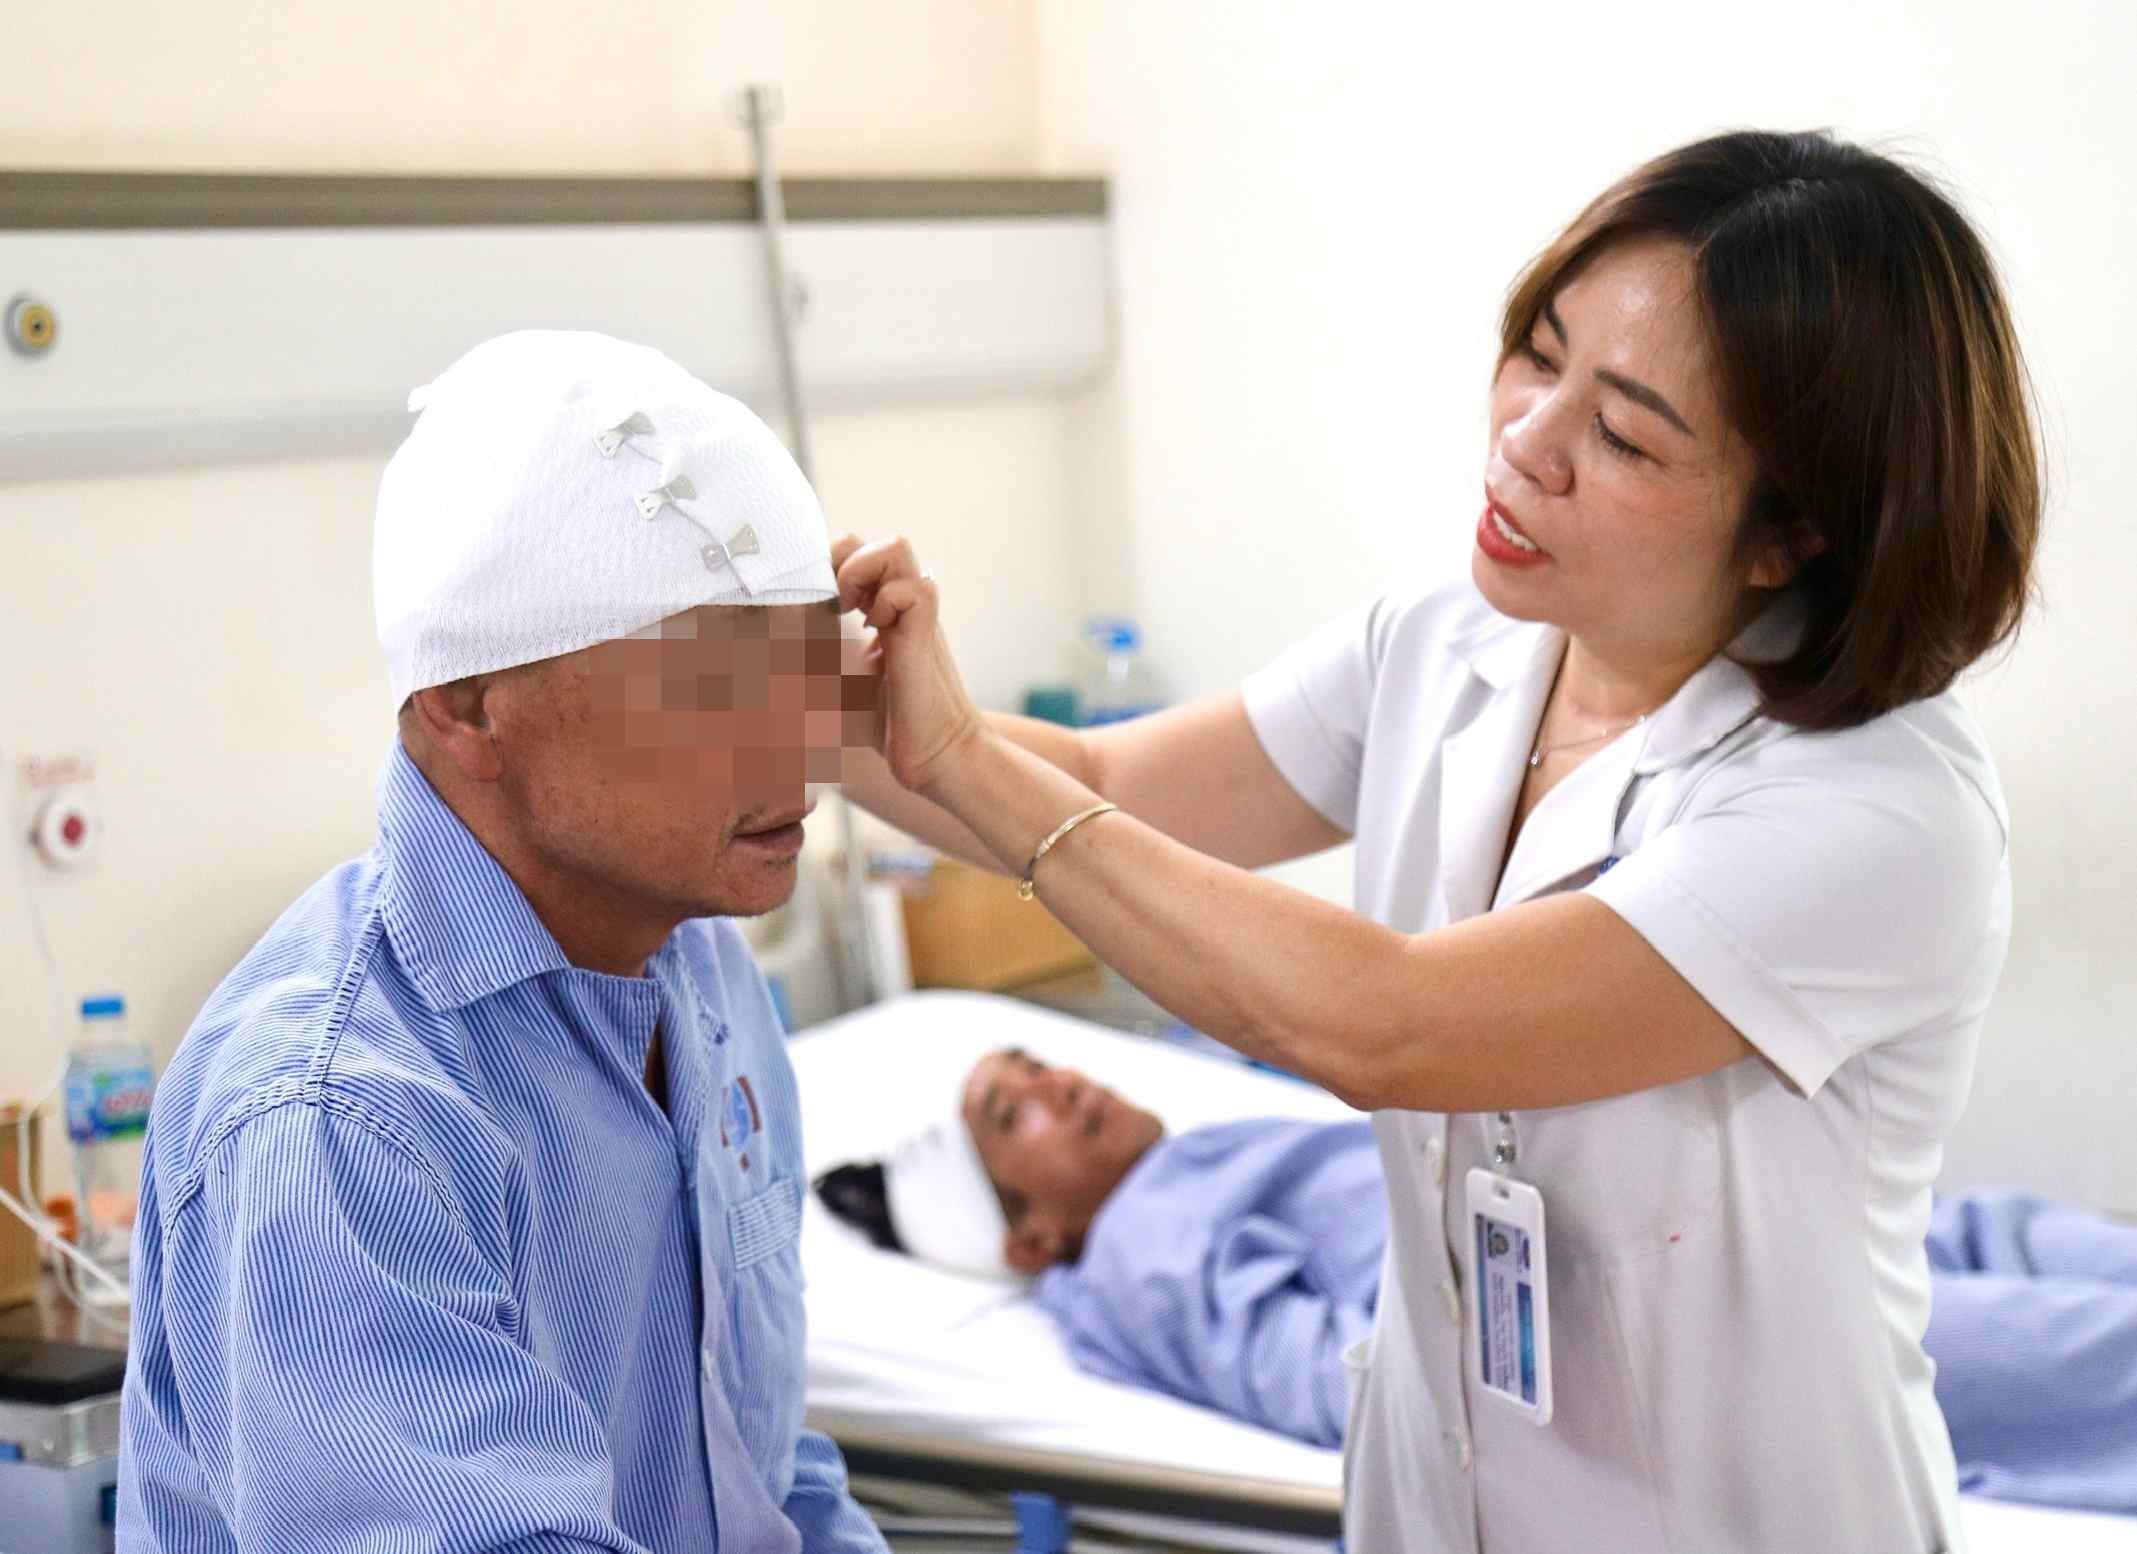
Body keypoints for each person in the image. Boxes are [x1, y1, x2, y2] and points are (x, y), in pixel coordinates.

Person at [834, 129, 2042, 1553]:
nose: (1525, 441)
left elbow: (1386, 1024)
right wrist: (749, 694)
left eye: (1626, 431)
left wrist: (966, 755)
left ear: (1790, 535)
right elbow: (1111, 778)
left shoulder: (1877, 806)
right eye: (1537, 354)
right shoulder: (1450, 643)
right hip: (1432, 1497)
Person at [120, 331, 886, 1553]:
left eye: (810, 667)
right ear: (467, 701)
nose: (801, 744)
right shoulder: (337, 1125)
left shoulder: (704, 976)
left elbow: (759, 1472)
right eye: (718, 686)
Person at [820, 1051, 2137, 1515]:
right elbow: (1352, 1377)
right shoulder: (1145, 1261)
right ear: (1031, 1236)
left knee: (2012, 1229)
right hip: (1661, 1308)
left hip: (1731, 1217)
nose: (1061, 1082)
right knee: (2074, 1349)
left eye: (1036, 1067)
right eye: (1015, 1113)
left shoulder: (1199, 1151)